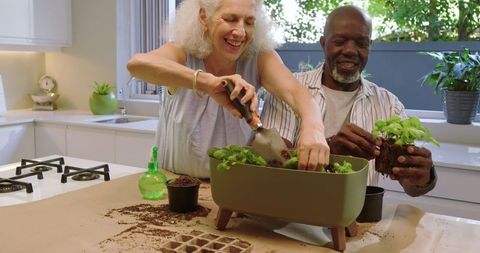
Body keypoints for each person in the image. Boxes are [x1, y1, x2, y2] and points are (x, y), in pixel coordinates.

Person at [127, 0, 329, 178]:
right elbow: (137, 65)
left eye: (249, 22)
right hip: (176, 188)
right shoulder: (182, 52)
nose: (240, 32)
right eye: (230, 19)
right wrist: (206, 82)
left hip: (234, 192)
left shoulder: (259, 58)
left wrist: (313, 128)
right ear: (204, 18)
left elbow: (295, 91)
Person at [261, 5, 436, 196]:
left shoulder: (388, 104)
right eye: (340, 41)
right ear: (323, 43)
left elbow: (409, 185)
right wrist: (330, 149)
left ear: (370, 46)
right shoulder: (289, 90)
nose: (350, 50)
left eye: (361, 43)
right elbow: (270, 164)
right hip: (295, 213)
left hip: (357, 219)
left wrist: (422, 178)